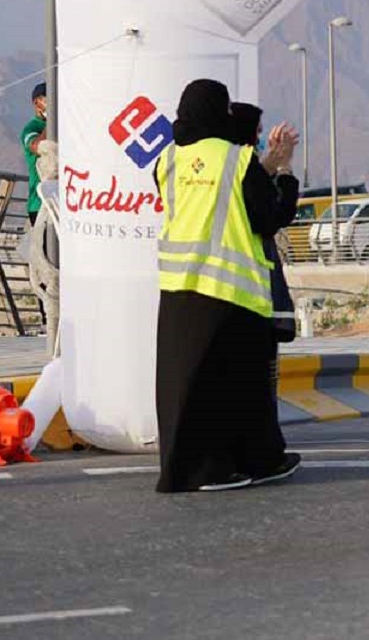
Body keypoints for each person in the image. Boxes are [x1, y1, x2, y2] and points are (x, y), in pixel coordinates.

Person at [153, 79, 299, 493]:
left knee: (183, 386)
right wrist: (284, 170)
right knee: (240, 387)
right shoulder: (237, 160)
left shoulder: (167, 160)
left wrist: (265, 165)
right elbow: (269, 217)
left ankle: (185, 467)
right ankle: (238, 465)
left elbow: (208, 199)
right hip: (232, 291)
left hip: (179, 288)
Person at [228, 101, 301, 365]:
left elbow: (255, 178)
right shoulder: (239, 173)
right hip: (252, 300)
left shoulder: (231, 173)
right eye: (256, 133)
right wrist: (284, 168)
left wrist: (274, 159)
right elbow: (278, 213)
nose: (259, 140)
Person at [20, 83, 47, 225]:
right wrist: (52, 124)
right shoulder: (32, 127)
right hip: (39, 202)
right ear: (37, 102)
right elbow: (35, 146)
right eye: (49, 99)